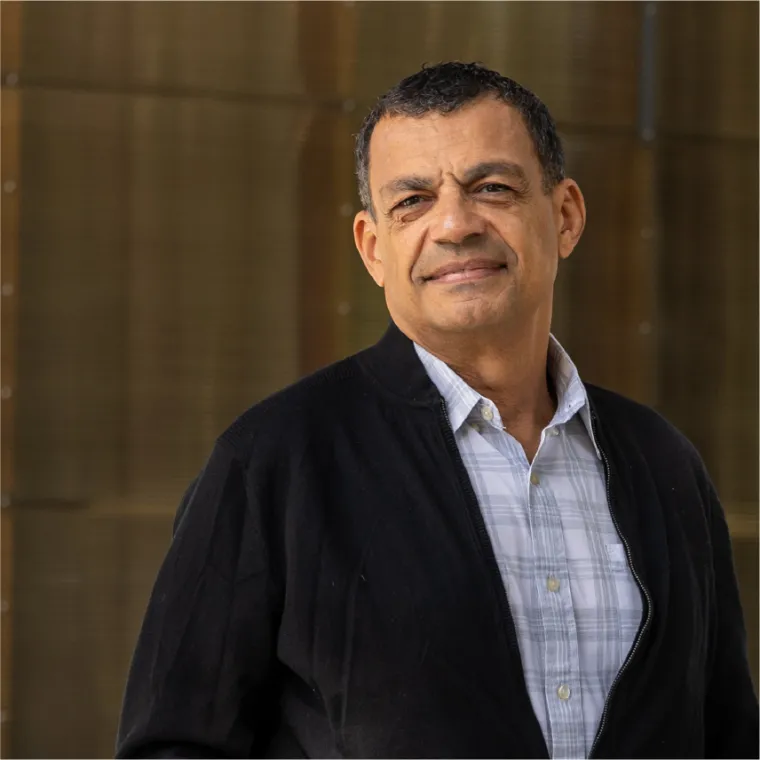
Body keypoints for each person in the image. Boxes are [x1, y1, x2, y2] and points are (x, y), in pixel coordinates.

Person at [115, 62, 758, 759]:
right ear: (372, 247)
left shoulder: (663, 463)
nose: (454, 224)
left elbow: (726, 734)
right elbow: (174, 745)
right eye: (412, 201)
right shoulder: (274, 462)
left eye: (492, 188)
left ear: (565, 215)